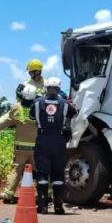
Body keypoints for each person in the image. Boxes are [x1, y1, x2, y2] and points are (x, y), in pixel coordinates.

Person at [30, 77, 77, 215]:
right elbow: (74, 113)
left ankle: (43, 206)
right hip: (59, 140)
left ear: (46, 88)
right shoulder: (65, 104)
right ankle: (58, 207)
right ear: (58, 89)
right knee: (58, 175)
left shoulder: (37, 103)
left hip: (43, 140)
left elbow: (32, 116)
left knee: (42, 174)